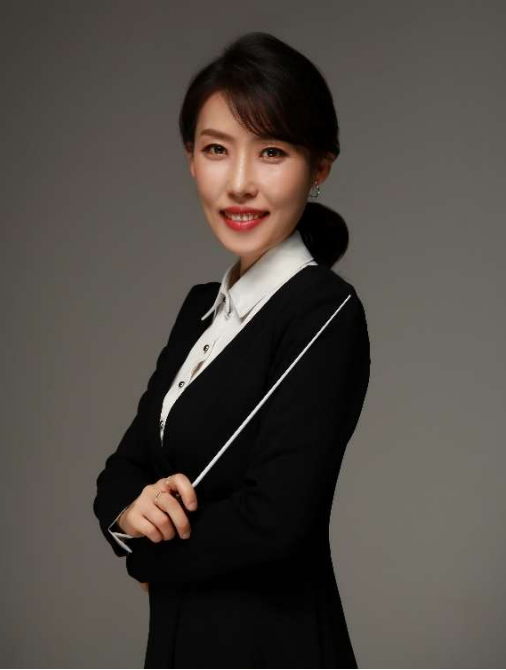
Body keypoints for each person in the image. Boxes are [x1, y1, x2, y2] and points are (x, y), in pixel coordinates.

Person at [93, 31, 371, 669]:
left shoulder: (324, 311)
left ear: (319, 167)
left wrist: (144, 554)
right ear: (191, 159)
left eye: (271, 151)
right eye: (217, 149)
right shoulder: (200, 309)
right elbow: (123, 470)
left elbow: (275, 521)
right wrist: (131, 512)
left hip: (275, 646)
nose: (240, 182)